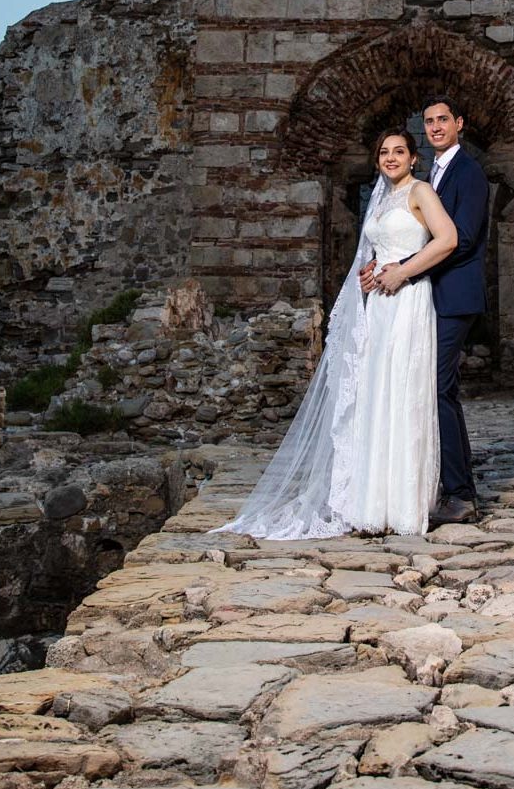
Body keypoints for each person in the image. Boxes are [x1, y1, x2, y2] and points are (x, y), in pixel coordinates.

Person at [210, 128, 456, 540]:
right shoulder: (380, 198)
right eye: (384, 152)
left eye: (399, 151)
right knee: (376, 394)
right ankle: (372, 501)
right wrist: (372, 271)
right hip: (379, 304)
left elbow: (448, 239)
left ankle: (404, 505)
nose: (391, 158)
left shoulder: (422, 192)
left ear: (414, 158)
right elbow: (381, 249)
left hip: (409, 300)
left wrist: (403, 271)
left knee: (403, 390)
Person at [361, 96, 490, 526]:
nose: (435, 126)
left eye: (443, 120)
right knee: (428, 389)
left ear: (459, 124)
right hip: (416, 296)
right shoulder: (425, 176)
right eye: (429, 121)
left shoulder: (469, 173)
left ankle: (460, 494)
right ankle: (437, 483)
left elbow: (462, 238)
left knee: (435, 388)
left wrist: (407, 270)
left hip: (453, 296)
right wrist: (380, 269)